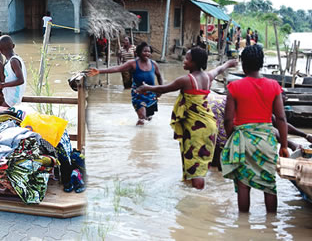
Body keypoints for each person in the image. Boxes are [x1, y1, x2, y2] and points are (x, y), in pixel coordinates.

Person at [136, 47, 237, 189]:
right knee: (200, 162)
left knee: (196, 168)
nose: (184, 61)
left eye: (187, 59)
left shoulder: (186, 80)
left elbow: (164, 89)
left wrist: (146, 87)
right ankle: (194, 192)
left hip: (197, 129)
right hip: (209, 125)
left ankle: (197, 199)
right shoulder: (207, 77)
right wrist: (229, 64)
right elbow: (219, 69)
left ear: (195, 63)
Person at [221, 45, 289, 213]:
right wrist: (285, 145)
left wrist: (231, 138)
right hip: (266, 141)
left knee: (243, 184)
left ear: (243, 65)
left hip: (243, 141)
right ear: (262, 64)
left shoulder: (234, 87)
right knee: (269, 184)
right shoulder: (274, 86)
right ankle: (271, 225)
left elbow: (228, 119)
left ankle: (243, 225)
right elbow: (281, 118)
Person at [88, 42, 163, 125]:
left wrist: (160, 90)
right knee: (142, 119)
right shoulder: (133, 63)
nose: (147, 53)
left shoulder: (154, 64)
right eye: (145, 51)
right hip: (138, 94)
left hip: (151, 94)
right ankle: (138, 136)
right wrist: (99, 71)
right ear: (139, 52)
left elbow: (159, 76)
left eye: (149, 52)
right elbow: (117, 68)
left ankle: (146, 136)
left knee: (148, 119)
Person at [0, 35, 27, 108]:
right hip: (9, 93)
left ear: (0, 50)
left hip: (14, 96)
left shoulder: (13, 61)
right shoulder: (9, 61)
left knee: (0, 115)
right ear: (13, 46)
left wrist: (2, 85)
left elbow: (21, 80)